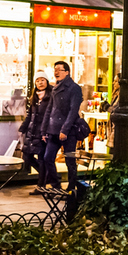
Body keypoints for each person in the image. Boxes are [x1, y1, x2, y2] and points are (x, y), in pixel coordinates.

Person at [41, 61, 82, 193]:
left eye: (59, 69)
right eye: (55, 69)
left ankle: (71, 187)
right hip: (53, 130)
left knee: (70, 160)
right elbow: (49, 110)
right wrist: (44, 129)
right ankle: (55, 185)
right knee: (48, 157)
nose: (56, 72)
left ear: (67, 72)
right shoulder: (55, 88)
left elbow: (73, 110)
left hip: (68, 131)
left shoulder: (74, 88)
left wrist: (65, 129)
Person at [19, 71, 51, 193]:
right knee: (27, 156)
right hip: (32, 132)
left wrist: (47, 131)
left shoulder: (50, 97)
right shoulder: (34, 97)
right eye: (37, 80)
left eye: (42, 80)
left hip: (43, 132)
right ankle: (45, 175)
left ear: (47, 81)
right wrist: (23, 128)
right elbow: (30, 115)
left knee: (42, 158)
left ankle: (41, 185)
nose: (40, 83)